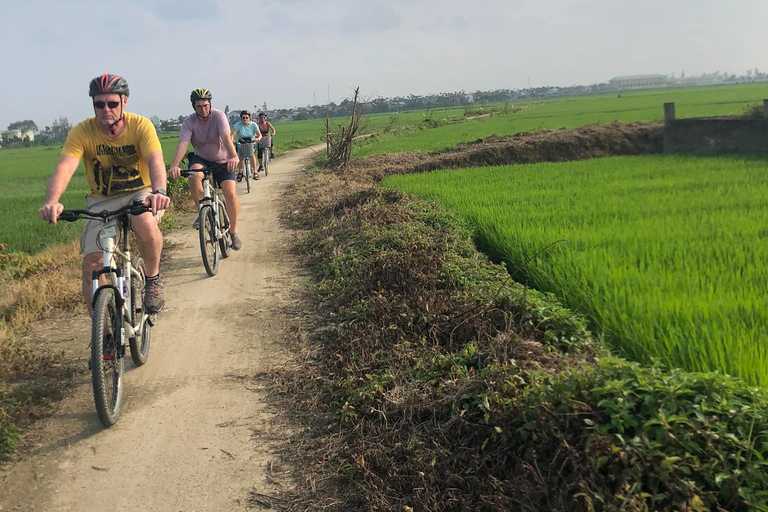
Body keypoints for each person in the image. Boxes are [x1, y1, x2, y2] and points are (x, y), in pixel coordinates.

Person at [39, 74, 170, 314]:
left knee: (144, 222)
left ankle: (152, 280)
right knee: (92, 265)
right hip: (102, 199)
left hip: (140, 192)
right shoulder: (82, 131)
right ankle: (104, 336)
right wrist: (52, 201)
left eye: (112, 103)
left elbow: (155, 161)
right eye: (99, 104)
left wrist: (159, 191)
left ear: (124, 102)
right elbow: (65, 168)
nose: (105, 110)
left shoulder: (141, 125)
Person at [168, 88, 243, 250]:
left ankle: (234, 232)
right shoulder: (189, 121)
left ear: (210, 104)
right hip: (201, 158)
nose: (203, 109)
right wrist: (174, 165)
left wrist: (233, 156)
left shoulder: (218, 116)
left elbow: (225, 137)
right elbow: (183, 143)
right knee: (193, 176)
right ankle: (201, 212)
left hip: (223, 159)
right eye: (199, 106)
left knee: (230, 193)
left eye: (206, 105)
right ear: (194, 107)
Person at [230, 109, 262, 182]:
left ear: (249, 118)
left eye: (246, 118)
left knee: (251, 155)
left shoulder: (253, 125)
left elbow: (259, 135)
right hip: (241, 143)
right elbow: (232, 135)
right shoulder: (238, 125)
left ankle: (255, 172)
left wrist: (258, 139)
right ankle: (240, 172)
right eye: (243, 118)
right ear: (241, 118)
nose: (245, 119)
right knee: (240, 157)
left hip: (250, 142)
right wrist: (233, 141)